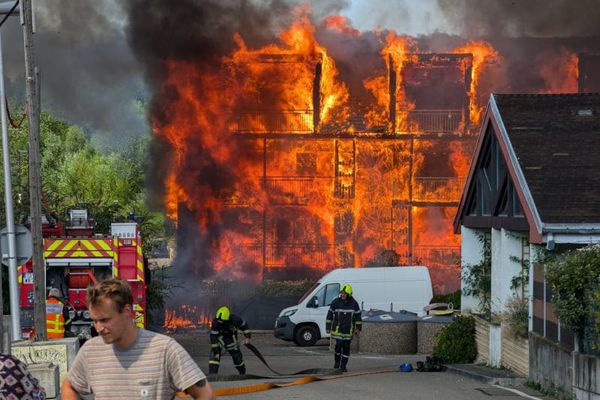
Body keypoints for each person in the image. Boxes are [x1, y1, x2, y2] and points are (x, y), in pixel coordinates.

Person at [60, 279, 215, 400]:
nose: (99, 328)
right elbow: (69, 386)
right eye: (95, 320)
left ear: (127, 311)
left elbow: (205, 394)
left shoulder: (165, 349)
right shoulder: (90, 351)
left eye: (105, 320)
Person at [326, 283, 362, 372]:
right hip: (338, 331)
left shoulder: (354, 304)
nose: (342, 295)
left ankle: (343, 366)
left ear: (349, 294)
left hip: (348, 331)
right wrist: (328, 327)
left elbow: (358, 317)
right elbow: (329, 315)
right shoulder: (335, 302)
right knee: (338, 347)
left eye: (344, 293)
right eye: (342, 293)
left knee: (346, 348)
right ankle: (337, 363)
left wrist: (358, 329)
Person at [208, 305, 251, 375]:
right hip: (220, 340)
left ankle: (242, 374)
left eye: (222, 321)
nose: (220, 322)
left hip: (231, 340)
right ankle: (212, 376)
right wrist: (216, 351)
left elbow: (244, 326)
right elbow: (213, 336)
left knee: (238, 359)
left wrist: (248, 337)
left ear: (227, 318)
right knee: (214, 359)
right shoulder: (215, 322)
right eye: (218, 321)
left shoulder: (235, 319)